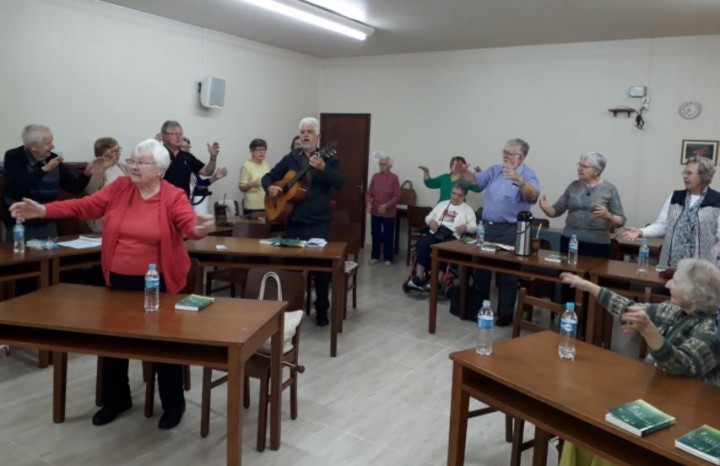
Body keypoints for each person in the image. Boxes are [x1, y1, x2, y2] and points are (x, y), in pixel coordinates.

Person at [9, 138, 215, 430]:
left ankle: (173, 403)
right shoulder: (119, 189)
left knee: (165, 344)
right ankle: (116, 399)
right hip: (118, 280)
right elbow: (85, 206)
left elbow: (187, 224)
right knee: (112, 342)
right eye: (132, 160)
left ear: (160, 169)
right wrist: (44, 211)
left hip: (160, 284)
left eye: (140, 162)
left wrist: (197, 227)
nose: (132, 166)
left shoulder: (173, 195)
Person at [559, 259, 720, 465]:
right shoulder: (673, 310)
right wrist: (588, 286)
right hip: (653, 399)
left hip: (684, 417)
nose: (667, 284)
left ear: (694, 293)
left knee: (610, 447)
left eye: (675, 282)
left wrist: (648, 330)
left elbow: (683, 366)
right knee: (583, 431)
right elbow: (629, 308)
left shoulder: (712, 330)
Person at [262, 117, 345, 326]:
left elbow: (341, 183)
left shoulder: (330, 158)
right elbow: (269, 176)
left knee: (321, 270)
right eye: (302, 132)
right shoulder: (291, 157)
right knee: (291, 269)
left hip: (319, 222)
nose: (305, 135)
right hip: (295, 221)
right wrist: (269, 187)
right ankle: (291, 310)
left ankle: (322, 311)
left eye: (309, 131)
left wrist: (324, 167)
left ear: (318, 137)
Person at [463, 138, 540, 326]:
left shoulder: (528, 175)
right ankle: (481, 308)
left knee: (508, 274)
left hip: (511, 230)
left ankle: (505, 315)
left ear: (520, 157)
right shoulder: (495, 170)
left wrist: (519, 180)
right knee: (480, 269)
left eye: (508, 153)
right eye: (503, 152)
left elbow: (533, 196)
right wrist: (464, 170)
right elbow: (474, 181)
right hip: (487, 228)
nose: (504, 155)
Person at [3, 124, 110, 241]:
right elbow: (18, 187)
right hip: (20, 224)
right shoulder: (14, 157)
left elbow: (74, 188)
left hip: (47, 220)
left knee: (50, 256)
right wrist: (44, 170)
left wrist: (87, 173)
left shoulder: (53, 159)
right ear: (34, 147)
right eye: (48, 143)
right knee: (22, 258)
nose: (52, 146)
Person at [622, 156, 720, 267]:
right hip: (670, 265)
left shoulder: (717, 200)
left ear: (704, 176)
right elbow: (663, 225)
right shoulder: (675, 197)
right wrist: (641, 231)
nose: (685, 176)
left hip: (702, 270)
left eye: (689, 173)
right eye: (684, 172)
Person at [538, 152, 625, 258]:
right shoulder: (573, 186)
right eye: (579, 165)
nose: (579, 168)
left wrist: (608, 216)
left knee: (593, 274)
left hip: (597, 244)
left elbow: (621, 221)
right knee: (566, 273)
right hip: (569, 240)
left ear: (596, 171)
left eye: (584, 166)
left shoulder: (609, 189)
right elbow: (555, 211)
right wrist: (546, 208)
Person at [405, 183, 476, 291]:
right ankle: (418, 278)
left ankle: (438, 280)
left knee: (444, 250)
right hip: (436, 232)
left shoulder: (467, 210)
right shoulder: (442, 204)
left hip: (452, 236)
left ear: (464, 196)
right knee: (423, 244)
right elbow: (428, 217)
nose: (455, 197)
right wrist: (431, 221)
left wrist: (465, 228)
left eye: (459, 195)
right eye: (454, 193)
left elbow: (474, 227)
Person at [159, 120, 219, 197]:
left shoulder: (187, 156)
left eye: (180, 134)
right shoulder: (157, 154)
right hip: (163, 202)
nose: (178, 137)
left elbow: (207, 172)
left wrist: (213, 158)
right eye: (174, 134)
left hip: (183, 202)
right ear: (163, 137)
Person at [84, 137, 128, 233]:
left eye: (118, 149)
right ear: (103, 154)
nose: (118, 153)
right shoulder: (95, 169)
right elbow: (90, 191)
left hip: (126, 216)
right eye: (113, 151)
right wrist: (101, 169)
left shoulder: (124, 167)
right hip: (104, 220)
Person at [365, 154, 400, 265]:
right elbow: (369, 192)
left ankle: (388, 258)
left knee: (388, 235)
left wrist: (387, 205)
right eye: (380, 164)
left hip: (389, 212)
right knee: (375, 233)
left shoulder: (394, 178)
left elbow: (397, 195)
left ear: (389, 166)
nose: (381, 166)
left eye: (384, 164)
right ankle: (375, 256)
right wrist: (368, 202)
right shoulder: (375, 176)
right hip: (375, 210)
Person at [181, 137, 228, 214]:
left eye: (188, 147)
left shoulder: (191, 161)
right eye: (183, 147)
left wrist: (213, 158)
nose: (186, 149)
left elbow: (202, 179)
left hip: (193, 204)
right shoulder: (171, 162)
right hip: (177, 203)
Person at [238, 138, 270, 216]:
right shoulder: (246, 166)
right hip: (252, 207)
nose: (262, 152)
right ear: (252, 152)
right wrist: (252, 184)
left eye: (264, 149)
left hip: (266, 205)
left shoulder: (266, 165)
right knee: (254, 228)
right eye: (259, 150)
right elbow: (241, 187)